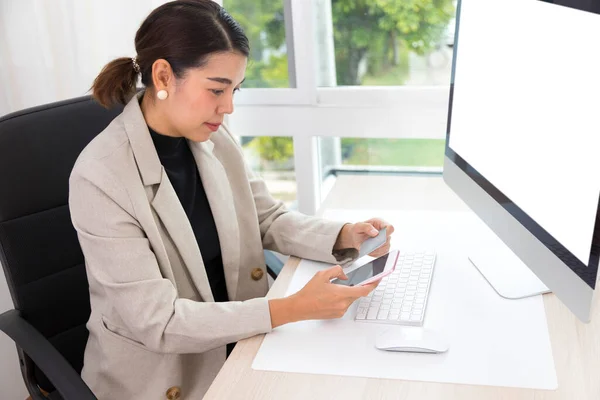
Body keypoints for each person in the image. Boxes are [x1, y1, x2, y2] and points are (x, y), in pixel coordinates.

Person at [68, 1, 394, 399]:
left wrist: (343, 235)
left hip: (241, 340)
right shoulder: (101, 176)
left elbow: (265, 217)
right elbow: (160, 322)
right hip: (168, 376)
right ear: (163, 74)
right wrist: (293, 307)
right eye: (217, 89)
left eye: (234, 90)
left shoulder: (211, 136)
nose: (229, 107)